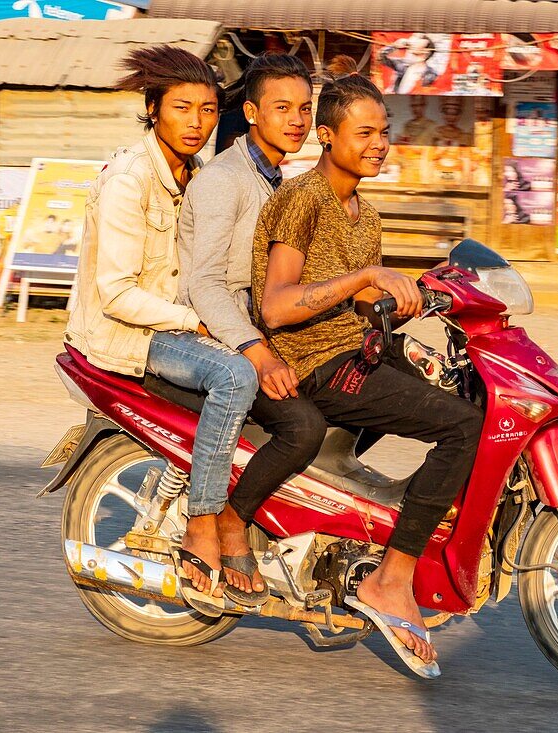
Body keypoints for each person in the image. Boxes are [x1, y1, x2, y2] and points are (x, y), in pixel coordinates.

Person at [226, 56, 484, 668]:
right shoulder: (304, 200)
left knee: (470, 394)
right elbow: (280, 305)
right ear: (327, 136)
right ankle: (391, 578)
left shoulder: (362, 210)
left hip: (352, 346)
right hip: (310, 362)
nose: (379, 145)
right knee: (461, 427)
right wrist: (367, 278)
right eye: (364, 134)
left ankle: (359, 526)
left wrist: (420, 294)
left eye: (384, 132)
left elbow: (354, 289)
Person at [64, 45, 258, 605]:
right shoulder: (130, 178)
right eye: (182, 108)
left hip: (170, 324)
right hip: (128, 335)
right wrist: (196, 321)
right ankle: (204, 520)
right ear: (154, 109)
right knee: (236, 376)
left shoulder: (198, 174)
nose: (197, 122)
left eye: (207, 109)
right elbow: (117, 293)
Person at [177, 52, 313, 605]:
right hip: (198, 332)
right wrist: (258, 353)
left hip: (244, 328)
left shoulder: (280, 180)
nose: (297, 119)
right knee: (300, 424)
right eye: (282, 108)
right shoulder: (224, 180)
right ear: (252, 113)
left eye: (305, 108)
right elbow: (205, 285)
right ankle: (213, 520)